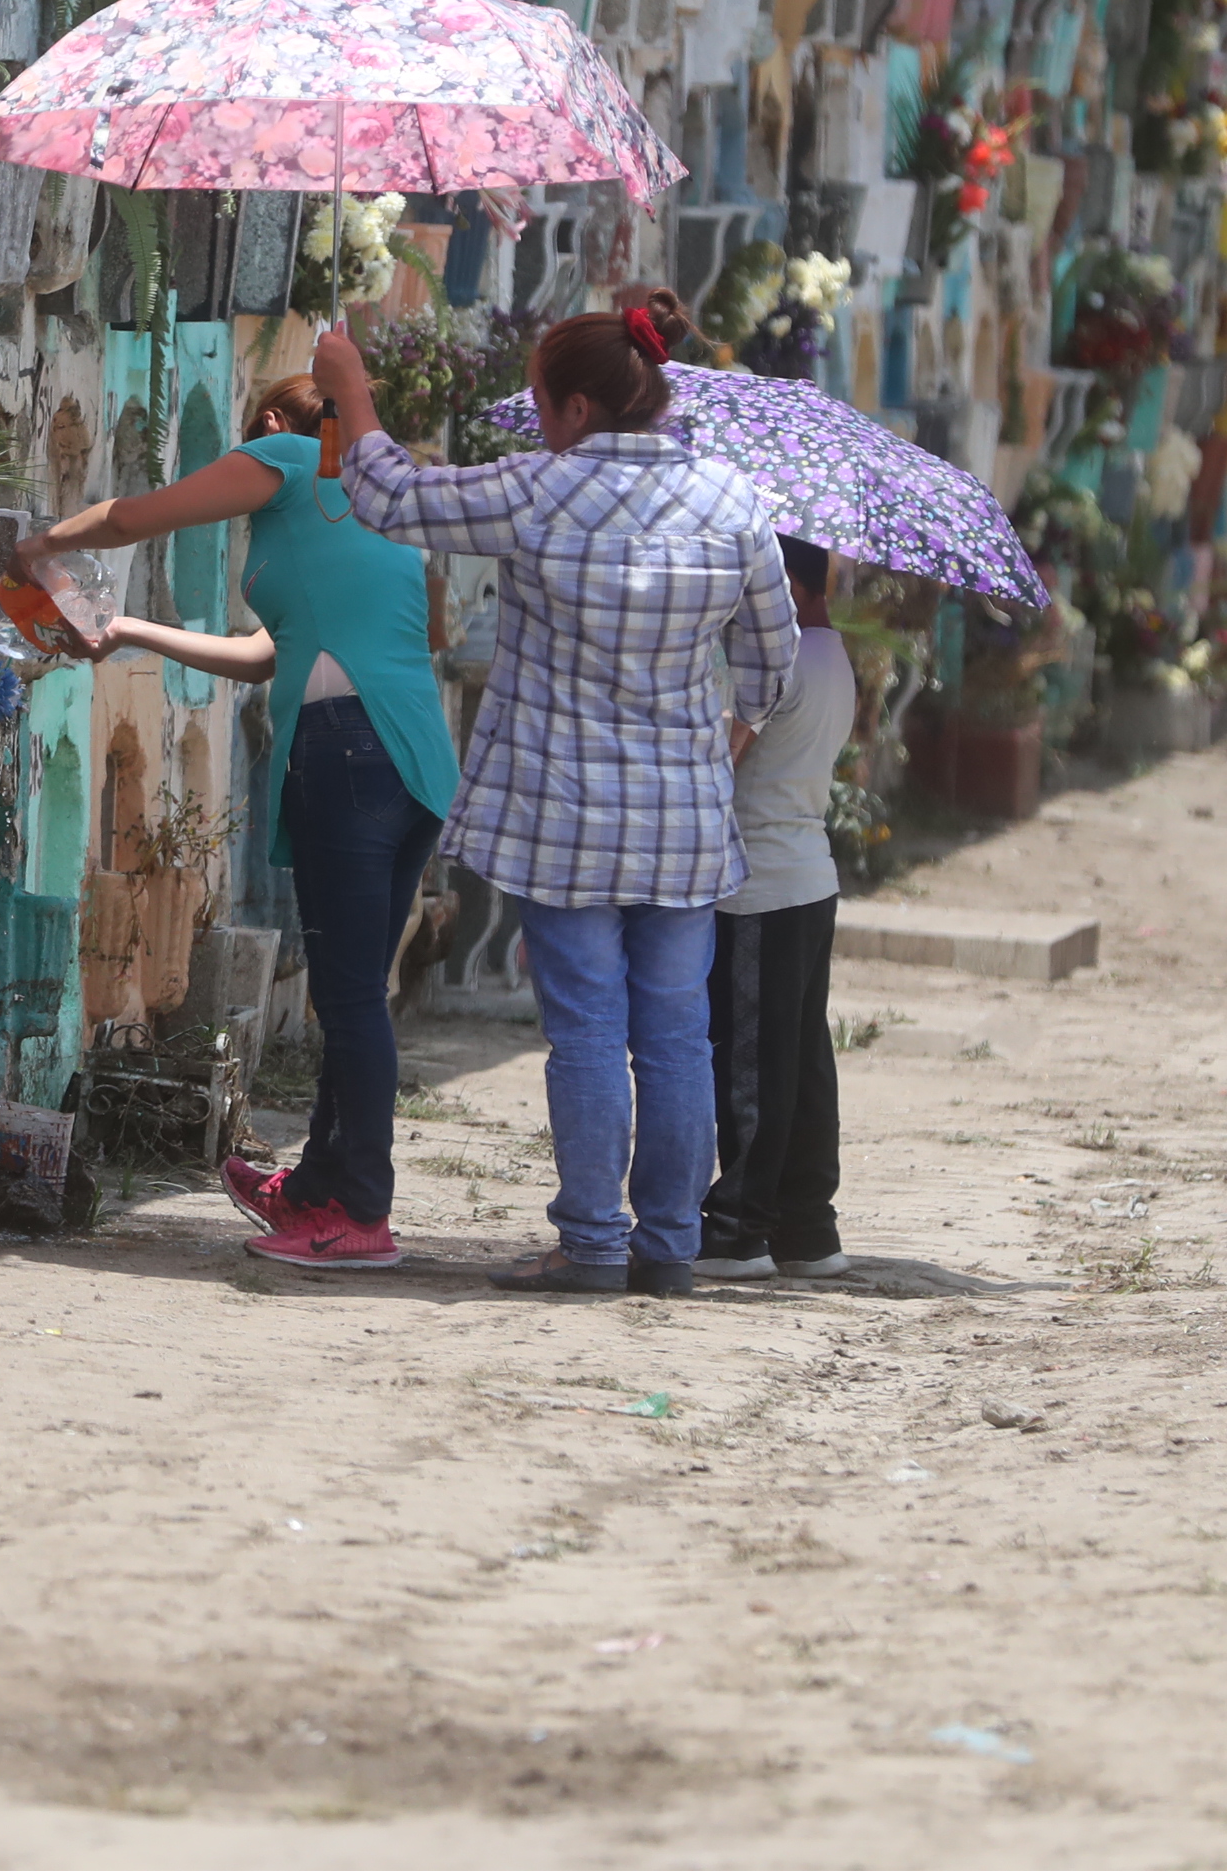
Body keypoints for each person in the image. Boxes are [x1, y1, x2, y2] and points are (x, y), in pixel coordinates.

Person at [312, 290, 797, 1297]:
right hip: (682, 822)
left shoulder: (539, 490)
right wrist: (731, 734)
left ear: (579, 407)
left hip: (562, 815)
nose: (536, 418)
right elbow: (774, 661)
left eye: (541, 400)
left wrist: (351, 389)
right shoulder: (735, 503)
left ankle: (591, 1241)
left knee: (584, 1030)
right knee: (676, 1035)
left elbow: (394, 497)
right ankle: (666, 1242)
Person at [8, 373, 457, 1270]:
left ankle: (360, 1214)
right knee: (355, 988)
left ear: (274, 423)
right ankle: (320, 1190)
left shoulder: (288, 456)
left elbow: (138, 517)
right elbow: (265, 656)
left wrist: (38, 548)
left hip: (348, 750)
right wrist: (129, 628)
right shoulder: (379, 496)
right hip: (415, 761)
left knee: (350, 996)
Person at [696, 538, 858, 1280]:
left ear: (788, 584)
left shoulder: (781, 654)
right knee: (801, 1057)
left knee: (754, 1063)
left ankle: (738, 1228)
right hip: (808, 877)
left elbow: (722, 757)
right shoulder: (834, 655)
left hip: (760, 885)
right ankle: (806, 1225)